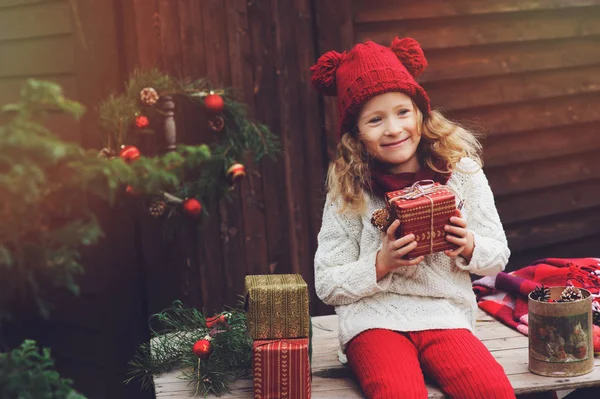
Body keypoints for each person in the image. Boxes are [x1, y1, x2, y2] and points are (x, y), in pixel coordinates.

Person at [311, 37, 516, 398]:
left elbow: (497, 254)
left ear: (421, 112)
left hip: (445, 315)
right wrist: (381, 263)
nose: (393, 128)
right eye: (375, 119)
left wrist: (468, 246)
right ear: (356, 133)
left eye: (402, 112)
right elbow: (327, 283)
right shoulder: (350, 190)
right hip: (373, 321)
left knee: (492, 391)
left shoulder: (461, 173)